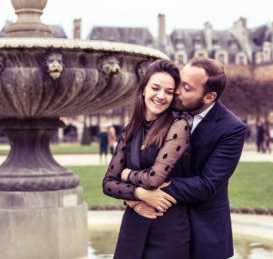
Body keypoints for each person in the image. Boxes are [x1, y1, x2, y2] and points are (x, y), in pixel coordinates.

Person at [129, 57, 247, 259]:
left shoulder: (232, 128)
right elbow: (131, 159)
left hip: (204, 233)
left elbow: (207, 184)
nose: (175, 91)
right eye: (179, 82)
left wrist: (145, 189)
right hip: (160, 226)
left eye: (187, 88)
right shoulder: (163, 108)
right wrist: (132, 195)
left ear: (209, 97)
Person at [102, 59, 191, 259]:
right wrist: (136, 198)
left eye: (169, 92)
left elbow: (154, 179)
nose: (161, 96)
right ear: (143, 89)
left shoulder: (178, 126)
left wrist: (125, 174)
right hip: (133, 226)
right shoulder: (130, 129)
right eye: (156, 88)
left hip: (167, 231)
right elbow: (107, 183)